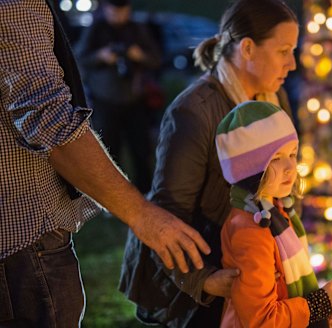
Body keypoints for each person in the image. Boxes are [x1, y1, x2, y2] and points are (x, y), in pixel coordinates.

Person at [0, 1, 209, 327]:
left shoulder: (137, 28)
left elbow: (155, 57)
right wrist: (142, 216)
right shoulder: (15, 5)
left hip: (16, 240)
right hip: (25, 240)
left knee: (139, 155)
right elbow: (49, 120)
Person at [119, 0, 300, 326]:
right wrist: (203, 279)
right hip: (205, 266)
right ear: (247, 48)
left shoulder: (273, 99)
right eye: (284, 50)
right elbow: (169, 212)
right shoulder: (195, 111)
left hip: (250, 260)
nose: (293, 64)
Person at [216, 101, 332, 328]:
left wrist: (320, 311)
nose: (291, 167)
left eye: (292, 154)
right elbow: (261, 319)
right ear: (249, 169)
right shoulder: (252, 230)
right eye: (275, 158)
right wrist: (319, 304)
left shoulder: (276, 211)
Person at [76, 0, 161, 193]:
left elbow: (156, 59)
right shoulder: (96, 29)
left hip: (134, 100)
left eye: (123, 11)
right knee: (108, 152)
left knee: (141, 150)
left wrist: (139, 56)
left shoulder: (137, 29)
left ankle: (145, 194)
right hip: (105, 101)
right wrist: (101, 56)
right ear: (106, 9)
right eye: (114, 11)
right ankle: (110, 196)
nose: (119, 16)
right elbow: (80, 58)